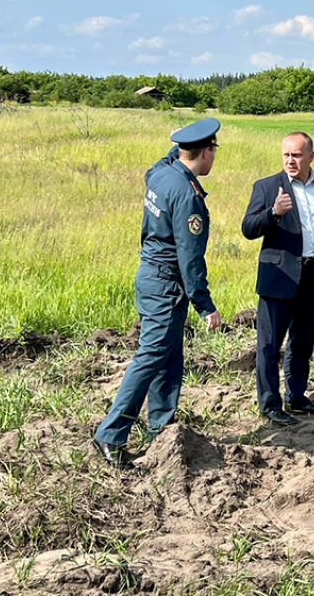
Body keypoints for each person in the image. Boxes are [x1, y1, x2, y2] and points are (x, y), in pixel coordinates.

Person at [92, 117, 223, 469]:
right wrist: (204, 304)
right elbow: (190, 256)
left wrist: (179, 143)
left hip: (149, 276)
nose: (215, 157)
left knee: (168, 356)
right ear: (206, 151)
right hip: (167, 284)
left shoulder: (163, 172)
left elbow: (165, 158)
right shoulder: (187, 195)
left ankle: (160, 428)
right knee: (151, 356)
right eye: (214, 150)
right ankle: (110, 433)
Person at [242, 131, 314, 427]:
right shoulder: (266, 186)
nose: (290, 160)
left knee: (302, 342)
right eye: (286, 154)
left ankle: (297, 397)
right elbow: (248, 228)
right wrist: (273, 214)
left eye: (297, 155)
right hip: (279, 276)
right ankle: (270, 405)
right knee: (268, 346)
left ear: (310, 157)